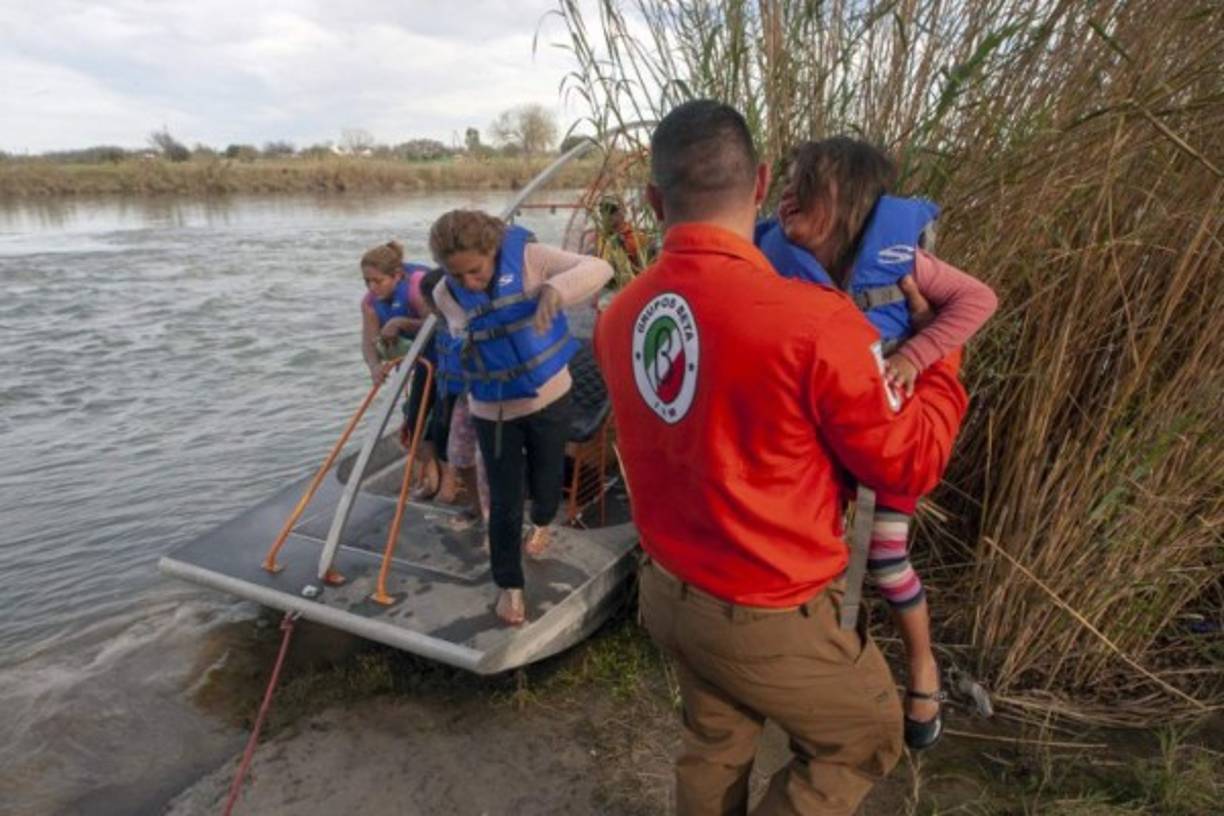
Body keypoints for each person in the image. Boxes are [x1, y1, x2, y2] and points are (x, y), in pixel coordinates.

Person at [594, 99, 968, 815]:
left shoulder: (620, 316)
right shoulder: (816, 324)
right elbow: (910, 464)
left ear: (653, 201)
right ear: (762, 183)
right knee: (864, 736)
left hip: (670, 590)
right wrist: (941, 353)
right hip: (765, 605)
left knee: (715, 744)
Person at [756, 138, 998, 749]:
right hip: (816, 431)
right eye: (787, 181)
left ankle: (922, 667)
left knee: (888, 559)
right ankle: (827, 668)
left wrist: (918, 352)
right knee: (817, 555)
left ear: (854, 203)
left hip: (887, 427)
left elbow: (978, 299)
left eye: (807, 184)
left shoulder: (902, 260)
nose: (789, 194)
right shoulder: (769, 254)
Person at [428, 210, 612, 625]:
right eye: (457, 275)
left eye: (475, 271)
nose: (468, 283)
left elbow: (600, 267)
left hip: (551, 398)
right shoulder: (445, 293)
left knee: (547, 481)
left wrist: (554, 290)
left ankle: (543, 522)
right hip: (492, 411)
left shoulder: (530, 259)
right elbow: (463, 336)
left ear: (493, 250)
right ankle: (509, 586)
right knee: (504, 500)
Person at [358, 241, 444, 499]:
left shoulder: (417, 286)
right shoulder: (369, 303)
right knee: (415, 421)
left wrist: (402, 322)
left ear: (397, 275)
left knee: (443, 423)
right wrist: (375, 366)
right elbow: (368, 341)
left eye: (378, 281)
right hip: (422, 364)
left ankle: (448, 480)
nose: (372, 287)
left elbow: (438, 321)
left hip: (448, 359)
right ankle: (431, 477)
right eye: (367, 281)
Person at [418, 266, 490, 537]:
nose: (431, 309)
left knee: (485, 459)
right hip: (450, 394)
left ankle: (490, 512)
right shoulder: (439, 324)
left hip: (479, 396)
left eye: (433, 303)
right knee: (457, 455)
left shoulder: (474, 321)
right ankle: (476, 505)